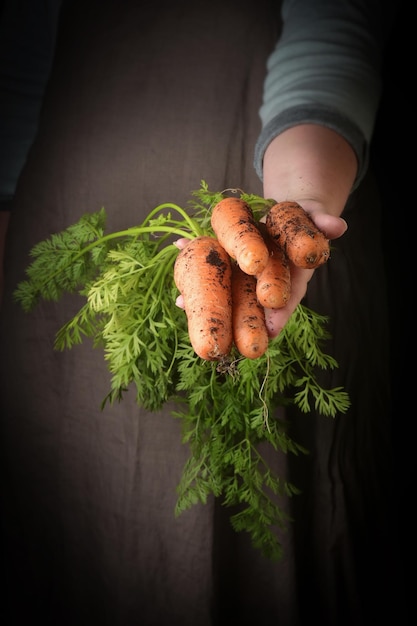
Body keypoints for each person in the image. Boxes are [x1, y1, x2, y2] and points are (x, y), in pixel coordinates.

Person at [0, 0, 410, 624]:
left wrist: (296, 204)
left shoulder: (276, 231)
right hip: (63, 238)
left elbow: (334, 28)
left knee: (265, 530)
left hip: (291, 192)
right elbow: (15, 70)